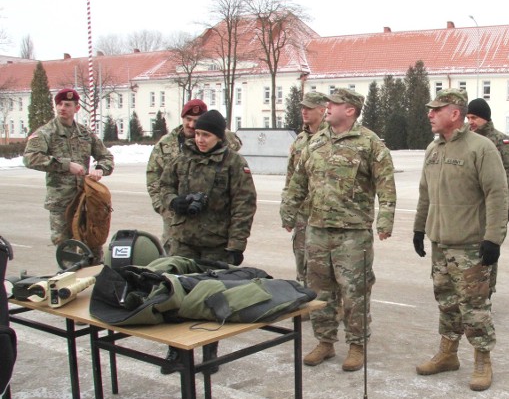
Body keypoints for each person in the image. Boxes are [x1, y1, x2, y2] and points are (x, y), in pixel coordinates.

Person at [280, 89, 396, 372]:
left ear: (351, 110)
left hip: (353, 233)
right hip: (317, 229)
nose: (327, 107)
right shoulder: (316, 142)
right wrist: (288, 208)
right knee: (319, 291)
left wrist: (385, 220)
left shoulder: (369, 144)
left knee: (354, 293)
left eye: (334, 104)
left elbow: (386, 185)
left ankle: (357, 345)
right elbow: (298, 179)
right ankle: (325, 341)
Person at [413, 89, 509, 391]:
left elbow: (498, 193)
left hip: (470, 246)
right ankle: (448, 354)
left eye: (436, 109)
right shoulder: (433, 149)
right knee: (447, 303)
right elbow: (425, 193)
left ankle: (482, 360)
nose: (430, 114)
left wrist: (493, 238)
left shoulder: (480, 148)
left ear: (454, 113)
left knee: (475, 306)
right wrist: (419, 229)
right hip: (440, 244)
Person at [158, 109, 258, 374]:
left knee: (212, 300)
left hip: (215, 243)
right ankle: (176, 351)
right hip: (183, 241)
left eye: (207, 135)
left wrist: (236, 245)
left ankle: (209, 352)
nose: (200, 139)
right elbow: (164, 187)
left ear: (219, 136)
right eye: (198, 133)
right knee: (175, 296)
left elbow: (244, 206)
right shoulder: (182, 160)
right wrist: (175, 202)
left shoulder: (234, 163)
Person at [23, 88, 114, 260]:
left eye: (67, 105)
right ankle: (67, 283)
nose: (62, 108)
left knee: (93, 245)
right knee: (66, 250)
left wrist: (100, 168)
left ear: (76, 108)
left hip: (85, 200)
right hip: (61, 202)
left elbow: (106, 156)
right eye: (59, 104)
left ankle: (94, 282)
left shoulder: (85, 133)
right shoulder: (46, 132)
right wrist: (65, 165)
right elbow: (30, 158)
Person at [146, 98, 242, 252]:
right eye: (188, 119)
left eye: (196, 121)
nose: (191, 125)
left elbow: (239, 190)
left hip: (213, 226)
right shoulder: (166, 145)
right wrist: (169, 207)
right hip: (176, 222)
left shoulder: (223, 140)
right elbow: (154, 180)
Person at [466, 97, 509, 296]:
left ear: (485, 118)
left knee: (488, 248)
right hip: (470, 209)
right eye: (468, 117)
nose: (470, 121)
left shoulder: (500, 141)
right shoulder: (466, 139)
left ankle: (487, 291)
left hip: (492, 208)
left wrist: (504, 208)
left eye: (474, 117)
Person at [284, 91, 329, 284]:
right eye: (302, 107)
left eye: (309, 108)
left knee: (324, 273)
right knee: (302, 268)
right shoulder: (299, 141)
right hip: (303, 216)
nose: (304, 111)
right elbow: (290, 178)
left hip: (325, 217)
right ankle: (306, 313)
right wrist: (288, 210)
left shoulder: (332, 138)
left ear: (322, 110)